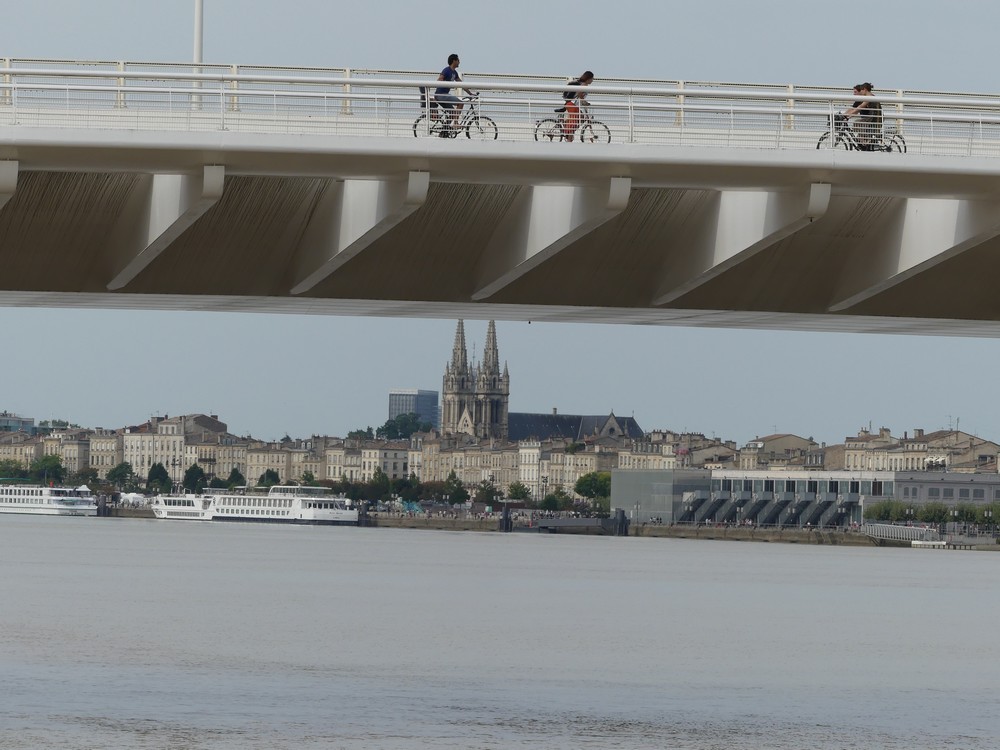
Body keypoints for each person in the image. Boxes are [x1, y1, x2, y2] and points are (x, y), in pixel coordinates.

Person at [434, 54, 475, 133]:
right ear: (454, 61)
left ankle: (444, 132)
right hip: (441, 95)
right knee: (460, 103)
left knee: (453, 113)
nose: (459, 62)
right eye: (458, 60)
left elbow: (461, 84)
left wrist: (470, 93)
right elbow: (439, 80)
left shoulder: (454, 73)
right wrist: (446, 83)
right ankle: (455, 123)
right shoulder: (446, 70)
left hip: (444, 95)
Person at [843, 82, 882, 150]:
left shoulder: (869, 97)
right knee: (859, 131)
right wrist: (847, 115)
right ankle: (866, 143)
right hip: (873, 118)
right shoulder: (870, 96)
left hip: (873, 118)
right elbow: (855, 108)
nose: (861, 92)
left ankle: (866, 143)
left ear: (865, 89)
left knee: (857, 123)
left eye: (861, 90)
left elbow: (860, 107)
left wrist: (848, 116)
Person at [561, 70, 594, 141]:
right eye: (592, 78)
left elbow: (579, 95)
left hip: (570, 103)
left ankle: (568, 133)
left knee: (576, 119)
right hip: (572, 104)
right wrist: (584, 102)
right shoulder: (584, 85)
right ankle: (569, 137)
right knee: (578, 119)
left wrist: (583, 101)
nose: (592, 80)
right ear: (588, 78)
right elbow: (579, 93)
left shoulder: (581, 83)